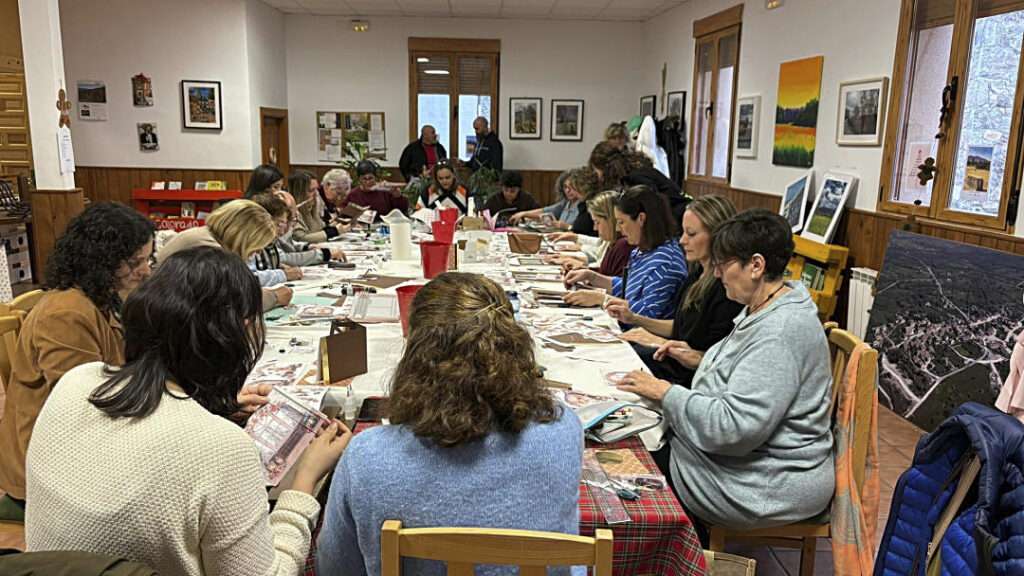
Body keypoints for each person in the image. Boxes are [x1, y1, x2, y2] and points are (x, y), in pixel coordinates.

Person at [24, 246, 352, 576]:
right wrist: (306, 482)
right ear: (237, 333)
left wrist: (213, 405)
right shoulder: (222, 447)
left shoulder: (77, 382)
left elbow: (141, 439)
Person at [317, 272, 583, 575]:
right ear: (515, 347)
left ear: (414, 355)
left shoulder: (366, 456)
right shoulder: (563, 430)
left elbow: (335, 568)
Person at [615, 209, 834, 535]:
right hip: (744, 463)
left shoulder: (780, 331)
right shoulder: (764, 307)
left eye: (723, 265)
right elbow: (752, 379)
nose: (716, 274)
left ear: (756, 265)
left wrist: (665, 393)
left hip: (763, 483)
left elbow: (732, 428)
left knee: (620, 476)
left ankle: (677, 555)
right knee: (625, 442)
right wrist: (701, 361)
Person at [0, 203, 155, 517]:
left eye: (147, 259)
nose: (146, 271)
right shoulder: (66, 313)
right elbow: (87, 404)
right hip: (49, 466)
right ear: (100, 261)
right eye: (135, 262)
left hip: (80, 443)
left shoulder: (100, 296)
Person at [606, 195, 743, 388]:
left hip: (689, 379)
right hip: (675, 364)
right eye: (683, 233)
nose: (682, 240)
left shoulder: (726, 290)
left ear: (717, 236)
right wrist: (635, 319)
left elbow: (708, 358)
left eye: (691, 234)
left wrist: (659, 342)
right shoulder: (696, 274)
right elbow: (679, 327)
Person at [562, 185, 687, 320]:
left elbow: (647, 314)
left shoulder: (664, 263)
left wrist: (602, 299)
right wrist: (592, 277)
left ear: (641, 218)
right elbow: (631, 288)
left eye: (621, 222)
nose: (617, 228)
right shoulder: (644, 250)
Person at [158, 199, 293, 311]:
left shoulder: (208, 236)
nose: (257, 253)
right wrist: (274, 297)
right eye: (256, 247)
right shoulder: (209, 249)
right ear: (243, 237)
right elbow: (233, 302)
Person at [589, 141, 687, 222]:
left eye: (596, 170)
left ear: (604, 168)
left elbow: (652, 208)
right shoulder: (634, 170)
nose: (598, 176)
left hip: (676, 217)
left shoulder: (634, 178)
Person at [548, 190, 632, 278]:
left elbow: (608, 280)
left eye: (597, 222)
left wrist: (581, 266)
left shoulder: (623, 246)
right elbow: (601, 267)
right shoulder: (612, 242)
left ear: (610, 220)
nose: (595, 228)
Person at [269, 187, 346, 266]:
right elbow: (283, 258)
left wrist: (306, 247)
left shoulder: (283, 223)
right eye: (311, 190)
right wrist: (324, 254)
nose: (316, 195)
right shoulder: (269, 231)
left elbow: (288, 243)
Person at [248, 193, 304, 286]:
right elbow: (248, 278)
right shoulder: (246, 244)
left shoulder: (269, 243)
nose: (282, 232)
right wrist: (283, 275)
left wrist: (277, 267)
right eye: (278, 224)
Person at [509, 168, 587, 230]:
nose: (567, 190)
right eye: (565, 187)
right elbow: (546, 211)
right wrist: (524, 214)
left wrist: (566, 226)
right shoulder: (566, 203)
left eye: (571, 187)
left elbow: (580, 230)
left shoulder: (584, 205)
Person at [293, 168, 352, 244]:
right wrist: (334, 231)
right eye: (311, 190)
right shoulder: (292, 209)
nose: (316, 194)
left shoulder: (313, 204)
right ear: (299, 192)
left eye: (316, 189)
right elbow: (300, 237)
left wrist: (331, 226)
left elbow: (318, 229)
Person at [344, 160, 409, 217]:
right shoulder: (353, 194)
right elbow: (344, 213)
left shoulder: (384, 191)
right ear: (359, 179)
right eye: (364, 179)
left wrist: (398, 197)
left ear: (375, 177)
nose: (368, 182)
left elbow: (402, 211)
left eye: (370, 178)